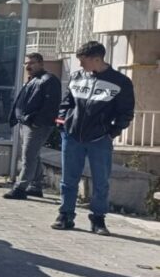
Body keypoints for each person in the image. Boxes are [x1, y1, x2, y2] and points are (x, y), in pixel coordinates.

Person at [52, 41, 135, 236]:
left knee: (101, 181)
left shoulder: (120, 82)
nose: (80, 65)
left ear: (96, 59)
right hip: (71, 136)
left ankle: (98, 219)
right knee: (68, 179)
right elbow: (66, 103)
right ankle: (65, 215)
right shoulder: (77, 77)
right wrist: (62, 124)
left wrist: (110, 133)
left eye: (83, 61)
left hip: (100, 140)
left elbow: (126, 113)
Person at [4, 53, 61, 200]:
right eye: (26, 64)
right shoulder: (33, 80)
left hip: (37, 125)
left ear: (41, 63)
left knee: (28, 156)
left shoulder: (48, 80)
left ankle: (20, 188)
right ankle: (35, 186)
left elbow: (51, 105)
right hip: (26, 122)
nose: (28, 66)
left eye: (32, 63)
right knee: (32, 155)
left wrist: (37, 122)